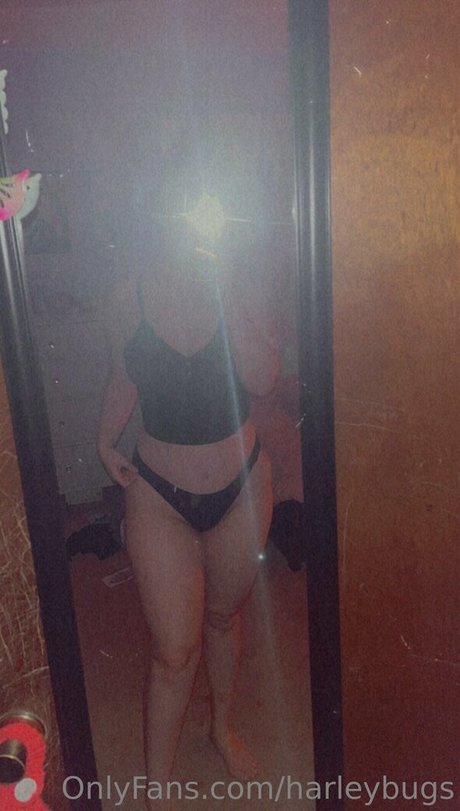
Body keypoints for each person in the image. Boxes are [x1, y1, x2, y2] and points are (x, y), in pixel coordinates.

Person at [97, 187, 279, 810]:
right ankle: (157, 787)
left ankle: (220, 728)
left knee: (223, 619)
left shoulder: (241, 281)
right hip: (158, 494)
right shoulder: (127, 294)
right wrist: (103, 441)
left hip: (241, 485)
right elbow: (124, 376)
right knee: (174, 652)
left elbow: (263, 379)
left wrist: (228, 292)